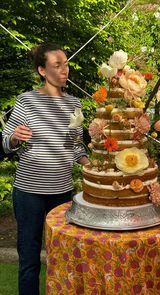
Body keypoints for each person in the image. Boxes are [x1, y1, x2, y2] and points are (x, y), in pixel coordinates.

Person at [2, 43, 89, 295]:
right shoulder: (26, 101)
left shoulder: (74, 103)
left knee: (61, 257)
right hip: (28, 193)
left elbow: (74, 147)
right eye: (57, 65)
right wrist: (15, 137)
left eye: (66, 64)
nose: (65, 70)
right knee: (29, 258)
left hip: (62, 193)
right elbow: (6, 141)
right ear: (42, 70)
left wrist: (89, 165)